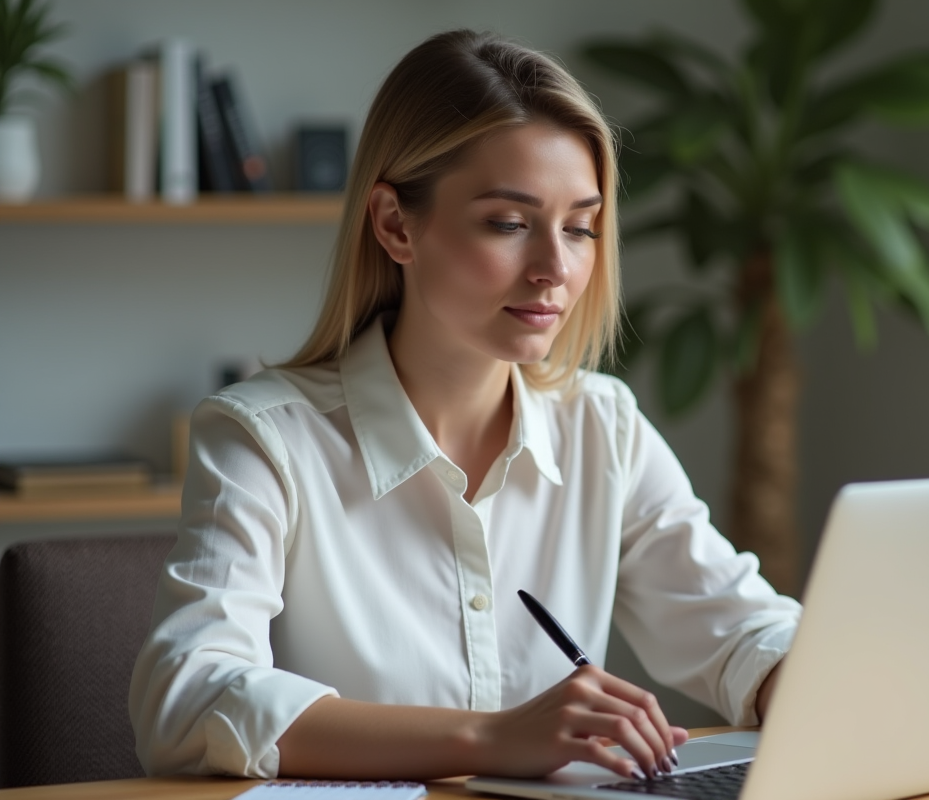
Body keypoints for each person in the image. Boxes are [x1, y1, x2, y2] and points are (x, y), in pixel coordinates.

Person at [129, 29, 801, 783]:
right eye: (509, 224)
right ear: (395, 224)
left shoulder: (601, 427)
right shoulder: (263, 438)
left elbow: (745, 629)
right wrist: (488, 740)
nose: (555, 268)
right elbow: (187, 701)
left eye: (580, 227)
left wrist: (805, 682)